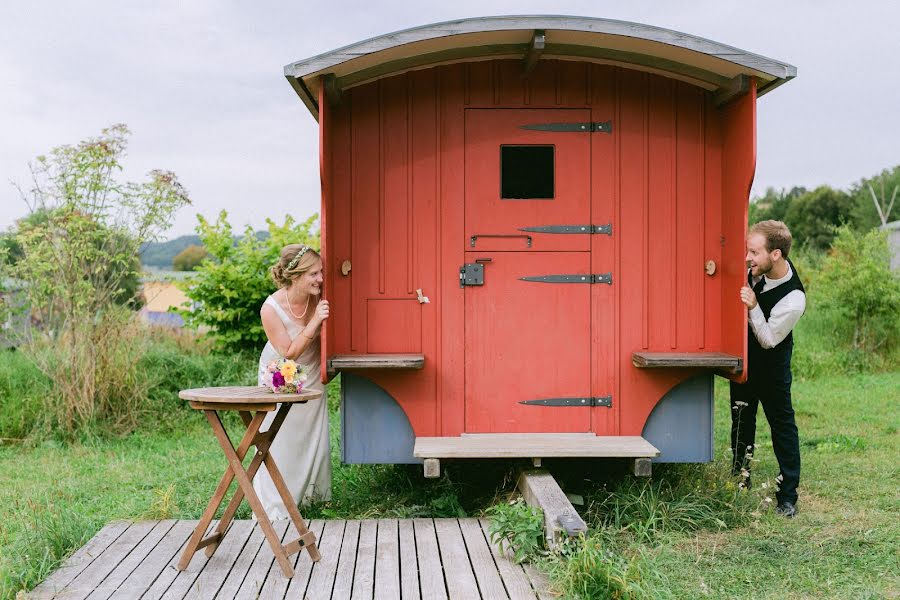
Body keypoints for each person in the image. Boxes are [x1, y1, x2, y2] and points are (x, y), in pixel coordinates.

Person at [731, 220, 806, 518]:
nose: (748, 258)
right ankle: (739, 481)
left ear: (775, 254)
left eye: (754, 252)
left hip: (772, 369)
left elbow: (768, 339)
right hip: (746, 365)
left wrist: (752, 306)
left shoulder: (794, 299)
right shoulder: (754, 271)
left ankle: (788, 497)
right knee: (741, 422)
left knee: (782, 428)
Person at [253, 244, 331, 519]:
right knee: (283, 436)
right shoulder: (270, 309)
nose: (320, 279)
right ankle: (277, 502)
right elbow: (289, 351)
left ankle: (312, 498)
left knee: (311, 434)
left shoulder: (320, 295)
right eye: (313, 274)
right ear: (295, 275)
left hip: (312, 370)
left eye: (320, 272)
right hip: (281, 372)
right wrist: (316, 322)